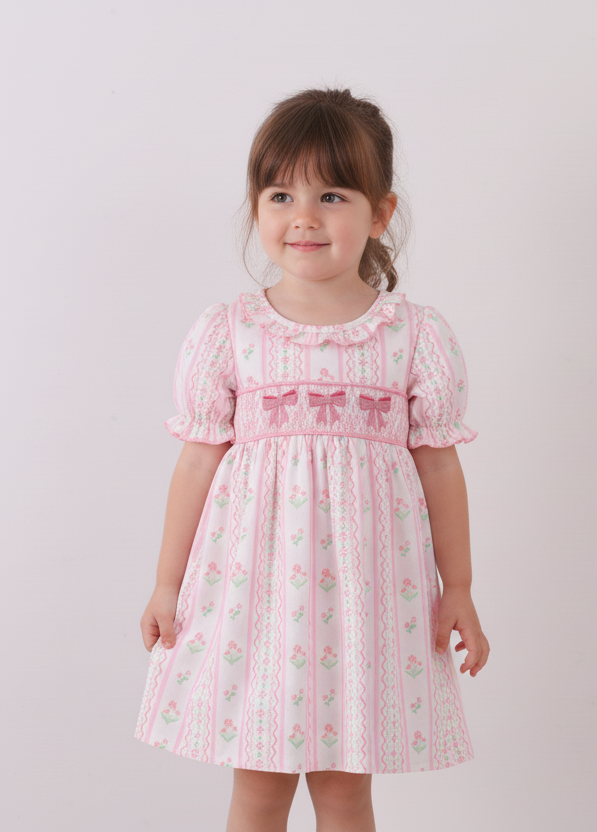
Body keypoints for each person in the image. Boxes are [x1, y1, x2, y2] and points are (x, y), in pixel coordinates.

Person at [134, 87, 490, 832]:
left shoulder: (413, 337)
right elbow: (197, 464)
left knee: (344, 792)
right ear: (256, 208)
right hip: (256, 599)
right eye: (280, 195)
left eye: (331, 195)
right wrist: (167, 584)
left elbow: (439, 468)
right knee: (259, 790)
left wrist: (457, 587)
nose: (303, 216)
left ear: (380, 213)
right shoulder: (231, 332)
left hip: (367, 603)